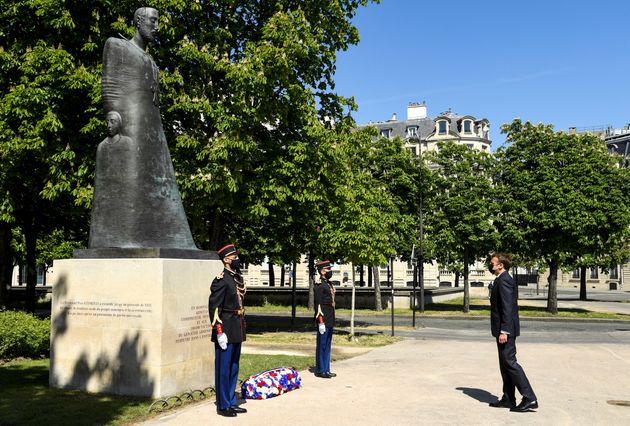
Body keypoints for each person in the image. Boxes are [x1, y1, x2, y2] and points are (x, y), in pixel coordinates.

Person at [93, 6, 197, 249]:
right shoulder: (117, 46)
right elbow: (109, 84)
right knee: (131, 179)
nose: (156, 26)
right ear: (138, 21)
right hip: (131, 121)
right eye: (152, 20)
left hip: (152, 126)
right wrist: (113, 115)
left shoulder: (150, 59)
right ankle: (123, 238)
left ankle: (165, 237)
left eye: (158, 21)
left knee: (159, 182)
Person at [488, 253, 538, 412]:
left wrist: (504, 331)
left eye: (493, 262)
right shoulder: (501, 279)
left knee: (510, 363)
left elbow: (507, 308)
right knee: (505, 365)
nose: (491, 264)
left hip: (505, 331)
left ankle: (529, 398)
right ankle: (508, 398)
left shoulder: (505, 281)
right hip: (502, 329)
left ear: (500, 265)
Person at [208, 244, 247, 417]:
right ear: (226, 260)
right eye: (234, 257)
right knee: (223, 368)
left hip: (237, 326)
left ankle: (231, 400)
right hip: (225, 328)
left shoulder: (236, 278)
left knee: (233, 366)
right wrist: (219, 331)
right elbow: (214, 307)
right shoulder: (221, 280)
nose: (237, 259)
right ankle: (223, 405)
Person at [313, 260, 336, 378]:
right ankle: (320, 370)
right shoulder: (319, 285)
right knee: (322, 344)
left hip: (330, 318)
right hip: (323, 319)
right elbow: (318, 304)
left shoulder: (328, 284)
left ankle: (326, 369)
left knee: (327, 345)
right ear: (322, 271)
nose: (330, 271)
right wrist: (320, 321)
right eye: (328, 269)